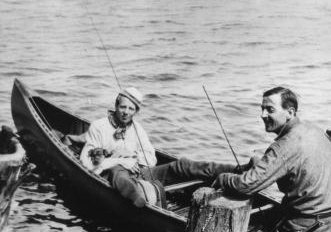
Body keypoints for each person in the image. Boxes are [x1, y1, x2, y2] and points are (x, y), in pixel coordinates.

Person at [212, 86, 331, 232]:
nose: (263, 115)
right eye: (262, 109)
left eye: (270, 110)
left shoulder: (284, 145)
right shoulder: (316, 131)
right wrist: (262, 165)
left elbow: (245, 186)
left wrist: (224, 178)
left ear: (290, 112)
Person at [80, 87, 238, 207]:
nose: (126, 112)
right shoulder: (99, 126)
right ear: (116, 105)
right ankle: (137, 199)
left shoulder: (137, 128)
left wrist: (131, 156)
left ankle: (235, 170)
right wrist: (118, 160)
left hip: (141, 172)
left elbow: (151, 158)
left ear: (136, 111)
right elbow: (87, 164)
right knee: (118, 173)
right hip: (113, 175)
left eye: (131, 109)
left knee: (182, 165)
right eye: (123, 107)